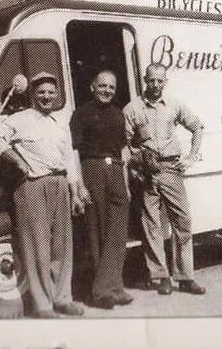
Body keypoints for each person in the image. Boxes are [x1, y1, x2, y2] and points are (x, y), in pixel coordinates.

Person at [0, 72, 89, 318]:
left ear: (57, 95)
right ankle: (43, 305)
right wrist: (16, 160)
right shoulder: (19, 119)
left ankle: (63, 299)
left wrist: (75, 192)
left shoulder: (59, 123)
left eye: (51, 92)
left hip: (60, 184)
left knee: (62, 246)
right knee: (37, 246)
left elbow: (69, 160)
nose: (46, 97)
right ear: (33, 94)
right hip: (32, 185)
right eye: (41, 92)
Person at [123, 63, 206, 296]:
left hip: (171, 169)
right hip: (146, 173)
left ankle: (185, 277)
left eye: (160, 80)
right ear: (145, 80)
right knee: (151, 225)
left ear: (165, 82)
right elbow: (124, 144)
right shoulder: (132, 109)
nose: (155, 84)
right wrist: (135, 166)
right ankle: (161, 277)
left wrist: (191, 157)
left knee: (182, 221)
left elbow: (197, 127)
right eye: (151, 80)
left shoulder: (174, 105)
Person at [69, 70, 133, 309]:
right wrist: (79, 184)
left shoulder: (118, 115)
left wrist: (125, 184)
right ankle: (102, 292)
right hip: (92, 170)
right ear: (92, 87)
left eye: (111, 87)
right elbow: (74, 152)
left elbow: (123, 151)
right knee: (96, 231)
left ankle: (115, 286)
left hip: (115, 170)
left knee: (118, 232)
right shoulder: (81, 114)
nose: (107, 91)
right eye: (102, 86)